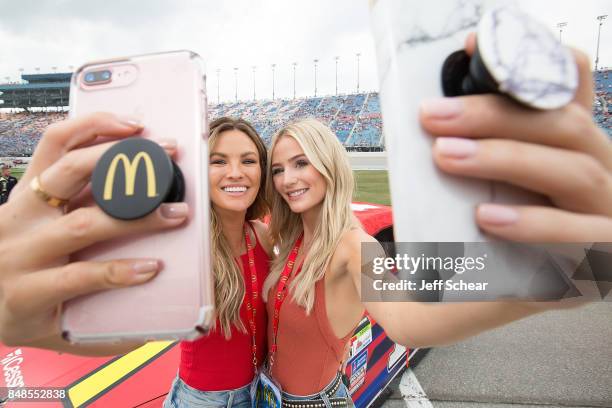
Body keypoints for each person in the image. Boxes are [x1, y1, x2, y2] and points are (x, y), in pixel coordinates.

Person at [262, 43, 611, 407]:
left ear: (328, 166)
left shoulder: (354, 246)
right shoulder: (292, 236)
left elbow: (406, 317)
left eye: (301, 163)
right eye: (278, 169)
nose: (287, 179)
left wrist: (569, 273)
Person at [163, 117, 272, 408]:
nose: (235, 173)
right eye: (218, 161)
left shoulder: (263, 235)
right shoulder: (184, 245)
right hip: (204, 401)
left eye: (248, 161)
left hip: (262, 391)